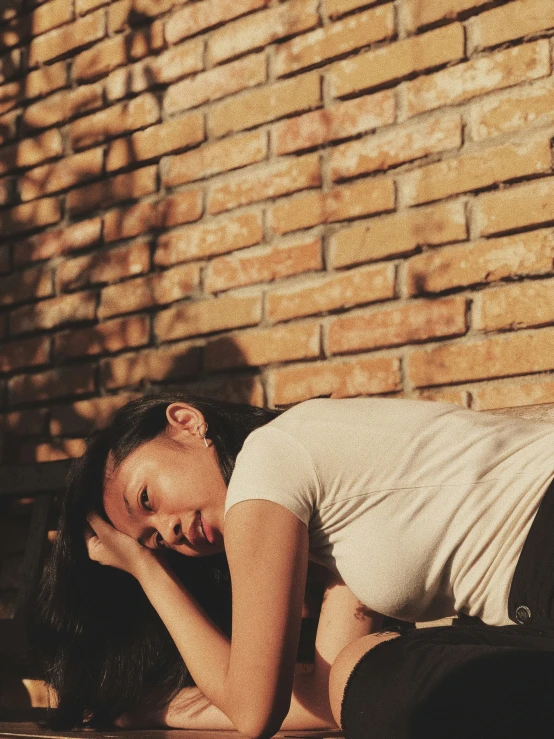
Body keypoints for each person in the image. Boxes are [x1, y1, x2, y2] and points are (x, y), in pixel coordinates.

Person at [36, 392, 554, 738]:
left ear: (187, 423)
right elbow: (330, 697)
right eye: (152, 540)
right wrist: (159, 705)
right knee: (364, 674)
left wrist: (149, 572)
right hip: (533, 609)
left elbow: (254, 713)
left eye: (146, 498)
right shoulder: (326, 522)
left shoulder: (269, 461)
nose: (166, 532)